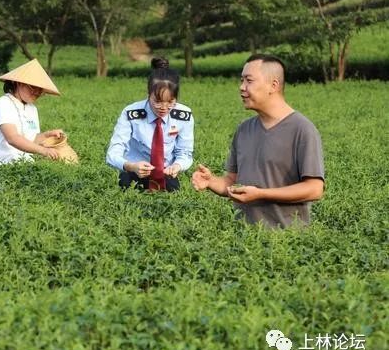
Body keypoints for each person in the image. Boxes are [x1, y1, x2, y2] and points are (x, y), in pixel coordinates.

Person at [191, 54, 325, 228]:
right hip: (245, 240)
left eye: (249, 81)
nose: (241, 87)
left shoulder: (302, 129)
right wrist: (210, 182)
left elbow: (314, 189)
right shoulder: (244, 129)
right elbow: (231, 182)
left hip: (287, 243)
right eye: (241, 80)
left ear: (273, 85)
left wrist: (261, 194)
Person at [106, 57, 194, 191]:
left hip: (166, 173)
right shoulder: (131, 113)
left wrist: (177, 166)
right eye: (158, 101)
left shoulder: (183, 116)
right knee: (126, 194)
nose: (164, 107)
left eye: (170, 102)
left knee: (173, 197)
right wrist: (131, 166)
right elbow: (113, 152)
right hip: (133, 172)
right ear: (148, 94)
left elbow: (185, 152)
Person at [0, 59, 66, 165]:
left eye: (40, 89)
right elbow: (13, 138)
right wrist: (44, 151)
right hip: (0, 167)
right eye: (33, 87)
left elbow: (31, 140)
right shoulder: (3, 104)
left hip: (25, 167)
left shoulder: (32, 109)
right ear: (18, 83)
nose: (36, 92)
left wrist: (47, 135)